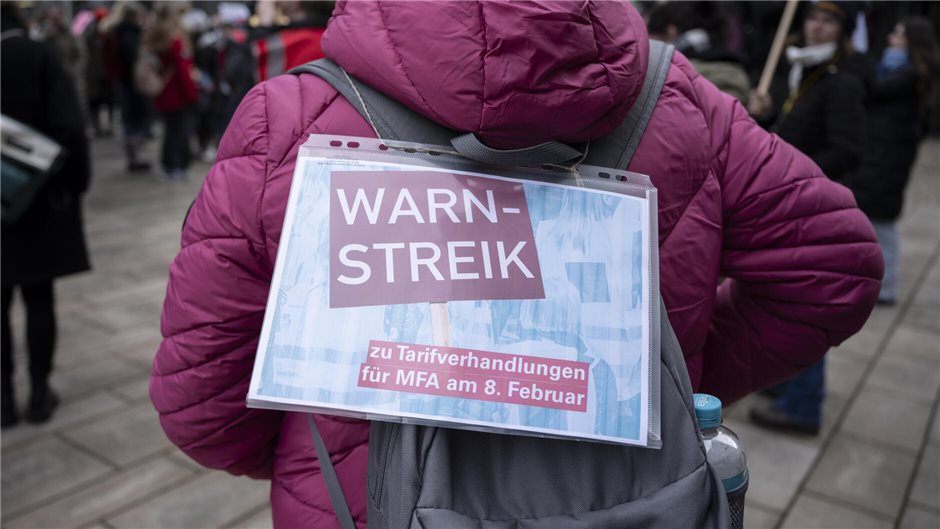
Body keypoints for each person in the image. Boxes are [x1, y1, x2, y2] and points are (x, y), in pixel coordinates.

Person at [150, 2, 882, 526]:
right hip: (634, 500)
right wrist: (652, 383)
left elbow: (200, 408)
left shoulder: (284, 121)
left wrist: (323, 444)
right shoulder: (683, 99)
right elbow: (837, 269)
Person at [747, 0, 872, 435]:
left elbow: (847, 152)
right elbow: (785, 130)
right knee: (777, 298)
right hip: (782, 203)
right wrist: (764, 115)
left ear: (843, 30)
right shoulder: (793, 66)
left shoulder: (844, 83)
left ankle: (802, 406)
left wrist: (797, 176)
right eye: (813, 17)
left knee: (804, 303)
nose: (817, 27)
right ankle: (787, 381)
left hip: (812, 209)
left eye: (828, 21)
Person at [1, 3, 91, 428]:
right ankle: (39, 393)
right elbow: (70, 129)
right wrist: (73, 188)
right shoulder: (38, 56)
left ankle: (2, 399)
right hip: (36, 198)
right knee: (39, 298)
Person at [848, 17, 940, 305]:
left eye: (899, 34)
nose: (891, 38)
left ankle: (886, 286)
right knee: (874, 220)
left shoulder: (907, 74)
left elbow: (876, 90)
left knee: (882, 224)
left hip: (886, 160)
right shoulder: (901, 70)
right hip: (882, 157)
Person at [645, 1, 752, 104]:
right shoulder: (733, 72)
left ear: (670, 32)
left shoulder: (669, 78)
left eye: (652, 39)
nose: (648, 48)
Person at [142, 4, 199, 180]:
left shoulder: (154, 37)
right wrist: (192, 94)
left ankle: (169, 165)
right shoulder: (175, 41)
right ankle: (177, 164)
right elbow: (183, 71)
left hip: (162, 92)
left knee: (170, 131)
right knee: (179, 131)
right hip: (177, 94)